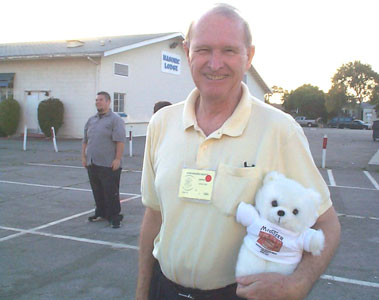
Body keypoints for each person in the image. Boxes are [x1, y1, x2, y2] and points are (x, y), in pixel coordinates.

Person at [136, 4, 341, 300]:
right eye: (203, 49)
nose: (215, 63)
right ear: (187, 51)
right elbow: (153, 215)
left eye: (229, 51)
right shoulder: (162, 123)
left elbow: (327, 224)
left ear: (249, 56)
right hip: (164, 289)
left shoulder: (279, 130)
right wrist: (142, 292)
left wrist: (298, 284)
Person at [82, 91, 126, 229]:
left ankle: (114, 217)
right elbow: (85, 140)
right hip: (92, 162)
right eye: (96, 100)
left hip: (108, 163)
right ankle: (100, 212)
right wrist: (84, 157)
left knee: (110, 191)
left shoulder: (115, 120)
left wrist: (117, 159)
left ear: (108, 102)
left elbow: (120, 141)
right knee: (97, 190)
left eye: (101, 100)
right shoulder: (91, 120)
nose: (98, 102)